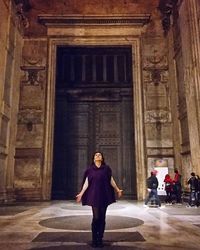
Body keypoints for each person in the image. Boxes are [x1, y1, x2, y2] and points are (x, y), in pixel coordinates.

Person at [76, 152, 123, 248]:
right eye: (96, 155)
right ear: (93, 159)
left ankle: (100, 238)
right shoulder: (90, 170)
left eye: (100, 155)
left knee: (102, 217)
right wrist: (81, 193)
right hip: (94, 196)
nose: (98, 156)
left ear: (102, 158)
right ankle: (94, 238)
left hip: (104, 195)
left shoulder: (106, 169)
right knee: (96, 217)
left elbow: (111, 180)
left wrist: (117, 189)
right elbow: (86, 183)